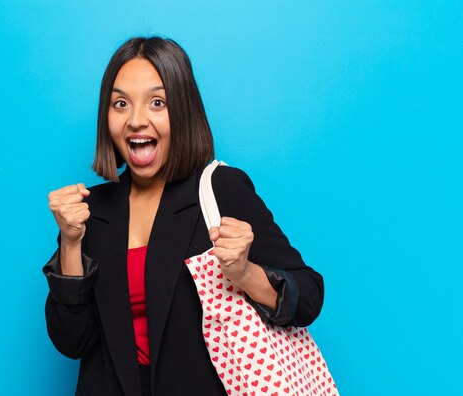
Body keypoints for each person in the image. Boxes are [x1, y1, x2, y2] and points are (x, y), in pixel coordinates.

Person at [44, 37, 324, 396]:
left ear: (183, 110)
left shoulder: (221, 189)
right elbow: (72, 342)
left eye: (157, 102)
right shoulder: (90, 213)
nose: (136, 120)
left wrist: (245, 273)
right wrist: (70, 242)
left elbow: (310, 297)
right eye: (120, 104)